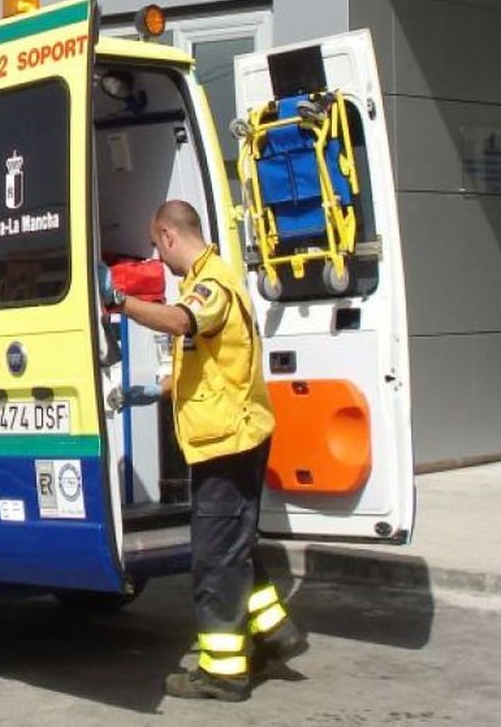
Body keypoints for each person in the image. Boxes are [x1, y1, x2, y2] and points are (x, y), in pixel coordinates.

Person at [101, 200, 307, 702]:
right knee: (232, 546)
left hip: (228, 443)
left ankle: (223, 672)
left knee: (215, 558)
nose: (158, 255)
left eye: (156, 244)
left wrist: (119, 302)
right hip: (227, 438)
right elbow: (212, 364)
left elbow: (181, 323)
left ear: (169, 235)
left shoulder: (209, 285)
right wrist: (158, 390)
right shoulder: (211, 279)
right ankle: (274, 633)